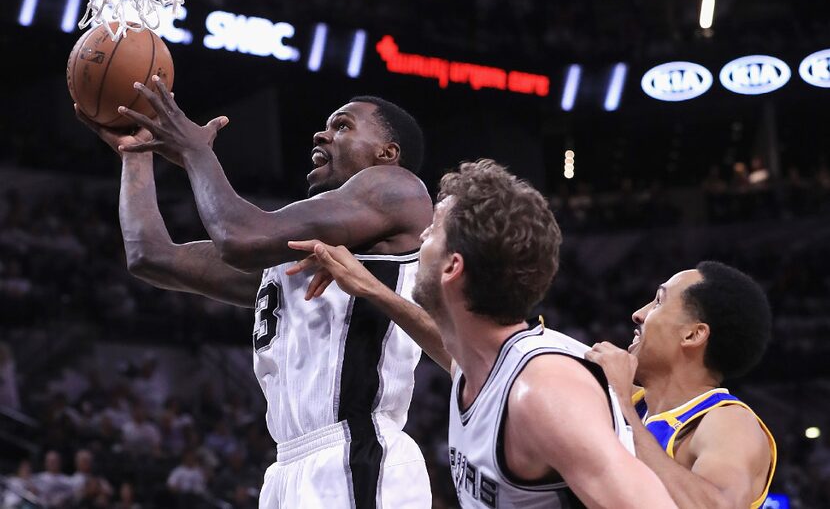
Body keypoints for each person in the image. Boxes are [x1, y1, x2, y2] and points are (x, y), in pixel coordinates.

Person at [74, 78, 434, 508]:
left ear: (387, 154)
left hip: (357, 452)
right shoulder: (298, 256)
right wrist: (135, 154)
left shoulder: (398, 187)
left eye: (342, 126)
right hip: (288, 466)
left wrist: (196, 152)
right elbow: (150, 255)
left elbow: (238, 236)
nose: (321, 134)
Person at [287, 160, 677, 508]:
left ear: (452, 267)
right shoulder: (485, 366)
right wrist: (371, 288)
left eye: (432, 232)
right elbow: (452, 354)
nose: (421, 240)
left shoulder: (542, 392)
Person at [586, 262, 777, 509]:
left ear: (692, 335)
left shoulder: (727, 422)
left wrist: (624, 410)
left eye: (658, 302)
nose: (638, 314)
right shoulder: (633, 402)